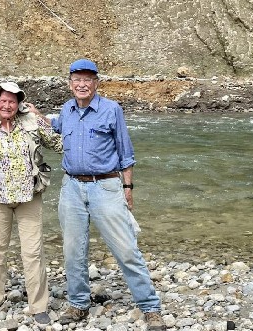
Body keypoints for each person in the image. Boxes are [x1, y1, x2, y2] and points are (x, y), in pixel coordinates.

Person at [51, 59, 166, 330]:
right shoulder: (66, 110)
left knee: (126, 248)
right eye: (77, 79)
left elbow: (126, 154)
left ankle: (150, 307)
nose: (82, 84)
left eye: (87, 79)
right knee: (73, 250)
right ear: (69, 83)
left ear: (96, 83)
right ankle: (78, 304)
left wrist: (128, 189)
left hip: (106, 186)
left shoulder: (111, 110)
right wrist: (31, 115)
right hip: (71, 188)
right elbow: (52, 129)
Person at [0, 81, 63, 326]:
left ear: (19, 104)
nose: (7, 105)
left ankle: (38, 305)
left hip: (29, 197)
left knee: (32, 252)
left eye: (12, 101)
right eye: (3, 101)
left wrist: (43, 118)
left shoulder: (31, 123)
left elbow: (59, 144)